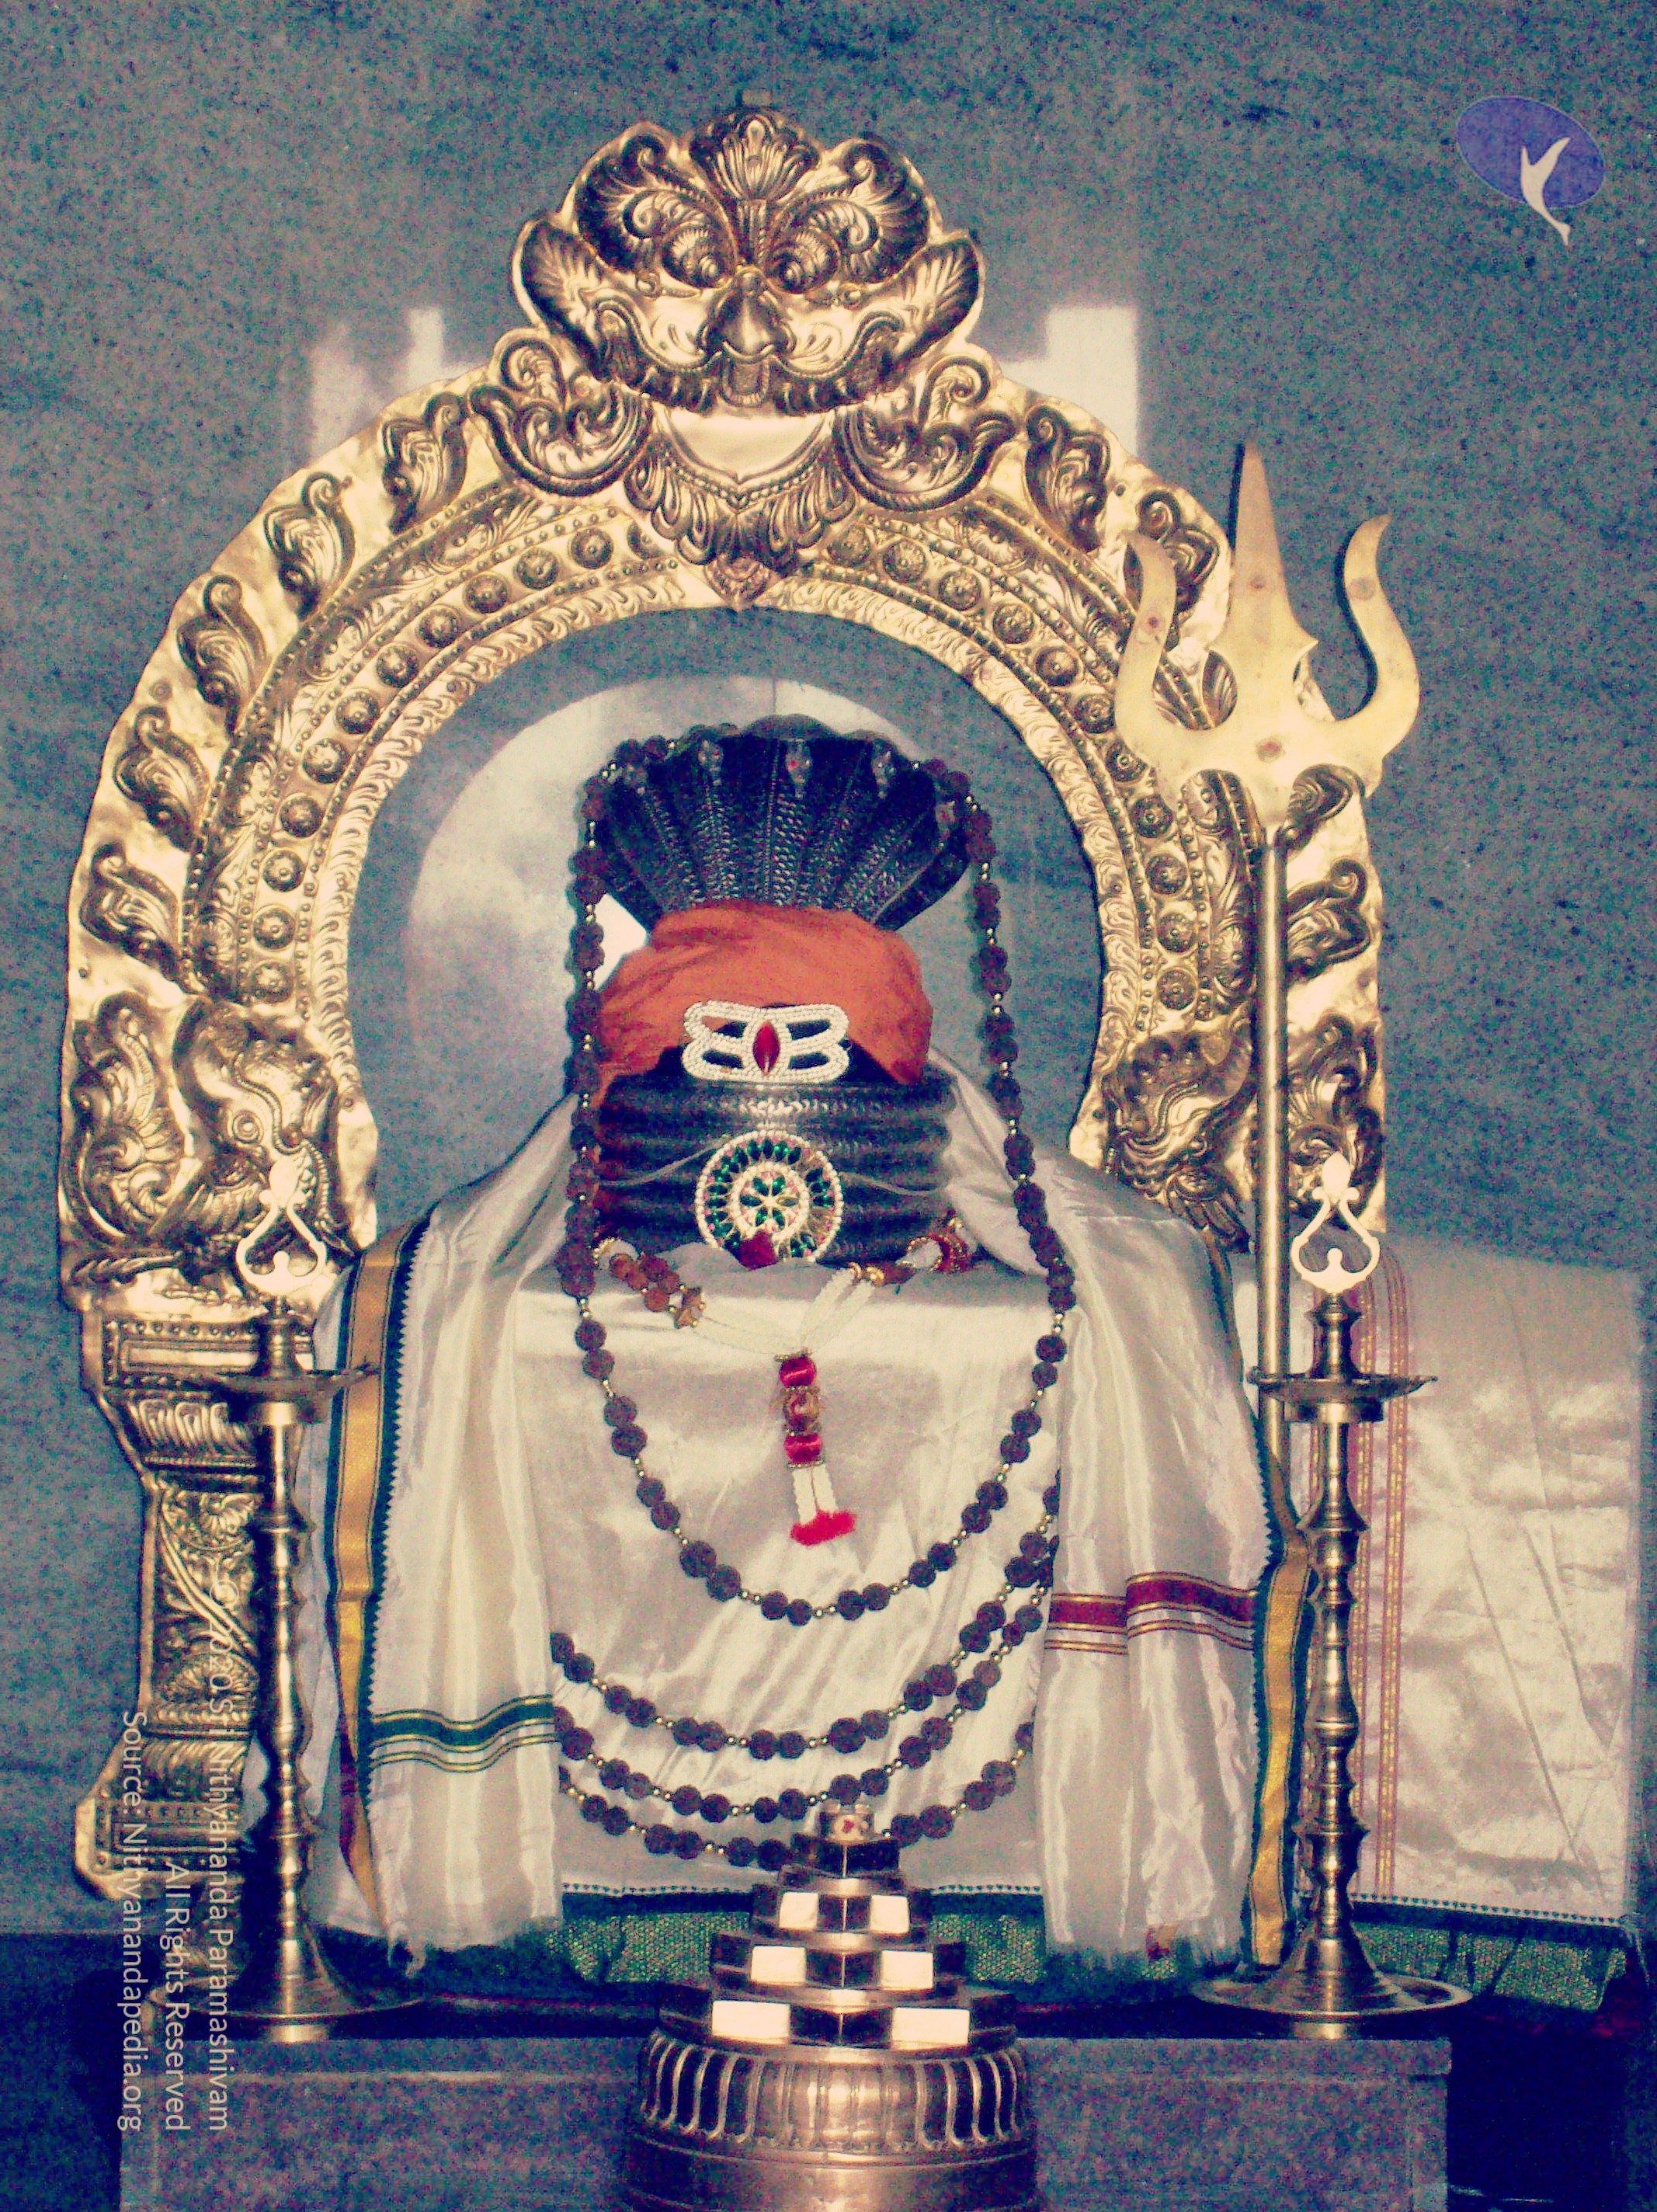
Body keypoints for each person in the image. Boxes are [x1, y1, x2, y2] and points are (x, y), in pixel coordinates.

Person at [296, 720, 1266, 1977]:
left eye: (804, 1049)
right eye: (726, 1049)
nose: (763, 1065)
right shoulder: (483, 1284)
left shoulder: (1025, 1258)